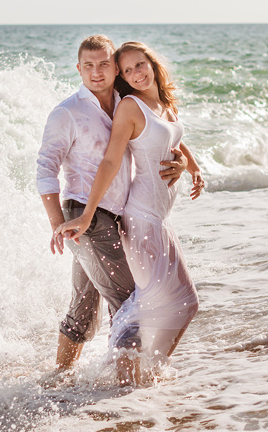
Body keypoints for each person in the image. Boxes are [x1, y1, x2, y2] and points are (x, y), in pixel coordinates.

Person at [36, 35, 187, 373]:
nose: (96, 72)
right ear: (79, 69)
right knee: (130, 301)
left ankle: (59, 380)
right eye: (88, 66)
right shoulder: (68, 112)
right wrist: (57, 223)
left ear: (114, 68)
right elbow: (45, 167)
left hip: (111, 215)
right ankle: (125, 392)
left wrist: (181, 162)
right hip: (83, 215)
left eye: (104, 64)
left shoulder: (126, 102)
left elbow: (156, 138)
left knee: (84, 310)